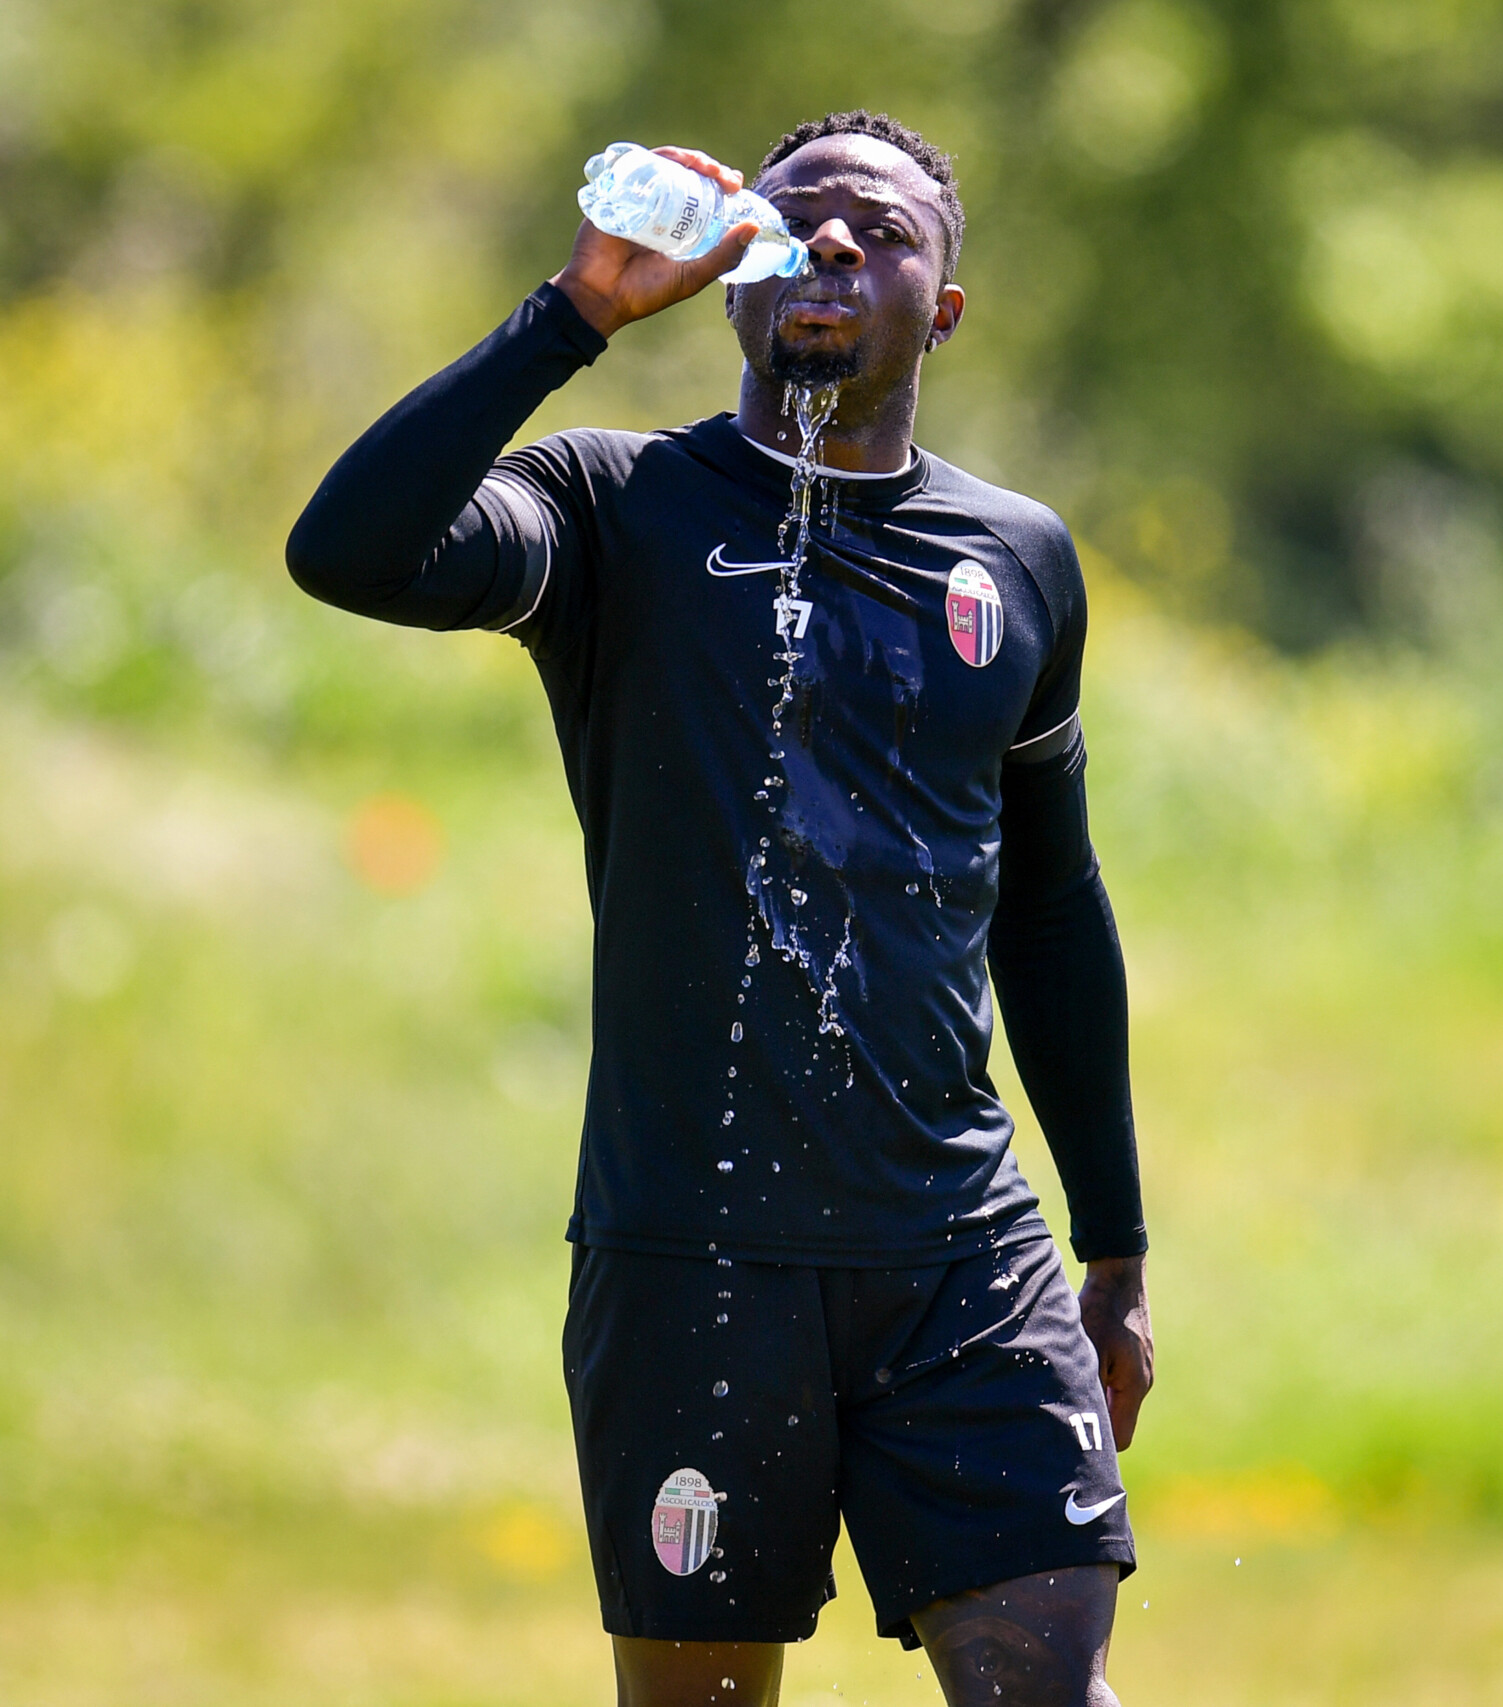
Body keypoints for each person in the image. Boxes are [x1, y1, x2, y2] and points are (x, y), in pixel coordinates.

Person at [287, 112, 1151, 1707]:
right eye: (800, 220)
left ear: (943, 307)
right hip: (689, 1255)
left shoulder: (1018, 559)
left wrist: (1116, 1246)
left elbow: (1052, 910)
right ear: (744, 266)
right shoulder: (615, 511)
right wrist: (574, 316)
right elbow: (347, 551)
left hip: (958, 1253)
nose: (833, 245)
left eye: (881, 232)